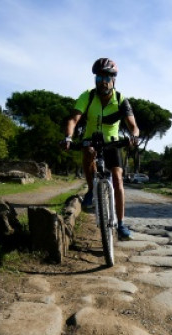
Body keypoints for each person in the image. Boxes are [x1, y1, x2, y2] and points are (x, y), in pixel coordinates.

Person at [62, 57, 140, 240]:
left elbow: (133, 125)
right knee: (88, 151)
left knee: (118, 181)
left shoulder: (121, 99)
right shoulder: (87, 96)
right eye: (99, 78)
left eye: (107, 78)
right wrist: (68, 137)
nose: (103, 82)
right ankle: (91, 190)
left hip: (113, 142)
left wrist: (134, 136)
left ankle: (120, 224)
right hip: (91, 139)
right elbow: (73, 120)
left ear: (114, 80)